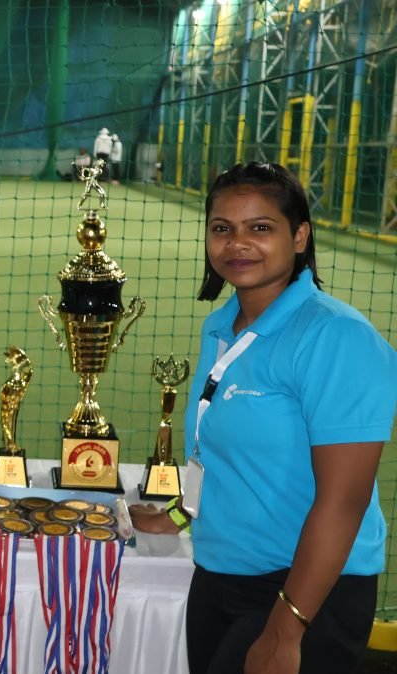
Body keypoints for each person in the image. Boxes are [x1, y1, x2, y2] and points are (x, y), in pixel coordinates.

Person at [130, 162, 397, 674]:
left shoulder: (337, 338)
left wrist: (285, 628)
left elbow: (344, 502)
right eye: (222, 228)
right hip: (219, 574)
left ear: (299, 237)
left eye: (260, 227)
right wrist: (178, 516)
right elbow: (222, 457)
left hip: (305, 590)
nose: (237, 243)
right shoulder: (221, 328)